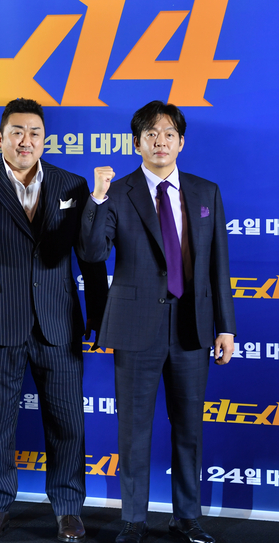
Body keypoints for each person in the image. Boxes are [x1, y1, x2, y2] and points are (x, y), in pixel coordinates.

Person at [0, 98, 108, 542]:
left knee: (67, 421)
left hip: (57, 320)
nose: (25, 140)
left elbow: (89, 255)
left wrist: (99, 312)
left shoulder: (72, 185)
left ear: (44, 139)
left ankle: (68, 508)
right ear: (0, 138)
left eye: (34, 132)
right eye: (16, 132)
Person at [79, 101, 236, 543]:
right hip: (136, 328)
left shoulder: (206, 192)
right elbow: (92, 252)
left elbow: (218, 266)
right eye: (150, 134)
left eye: (168, 134)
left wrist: (225, 326)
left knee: (189, 429)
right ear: (137, 144)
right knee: (133, 431)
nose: (160, 142)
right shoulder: (118, 192)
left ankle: (187, 517)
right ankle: (133, 519)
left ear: (181, 142)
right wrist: (96, 199)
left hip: (192, 328)